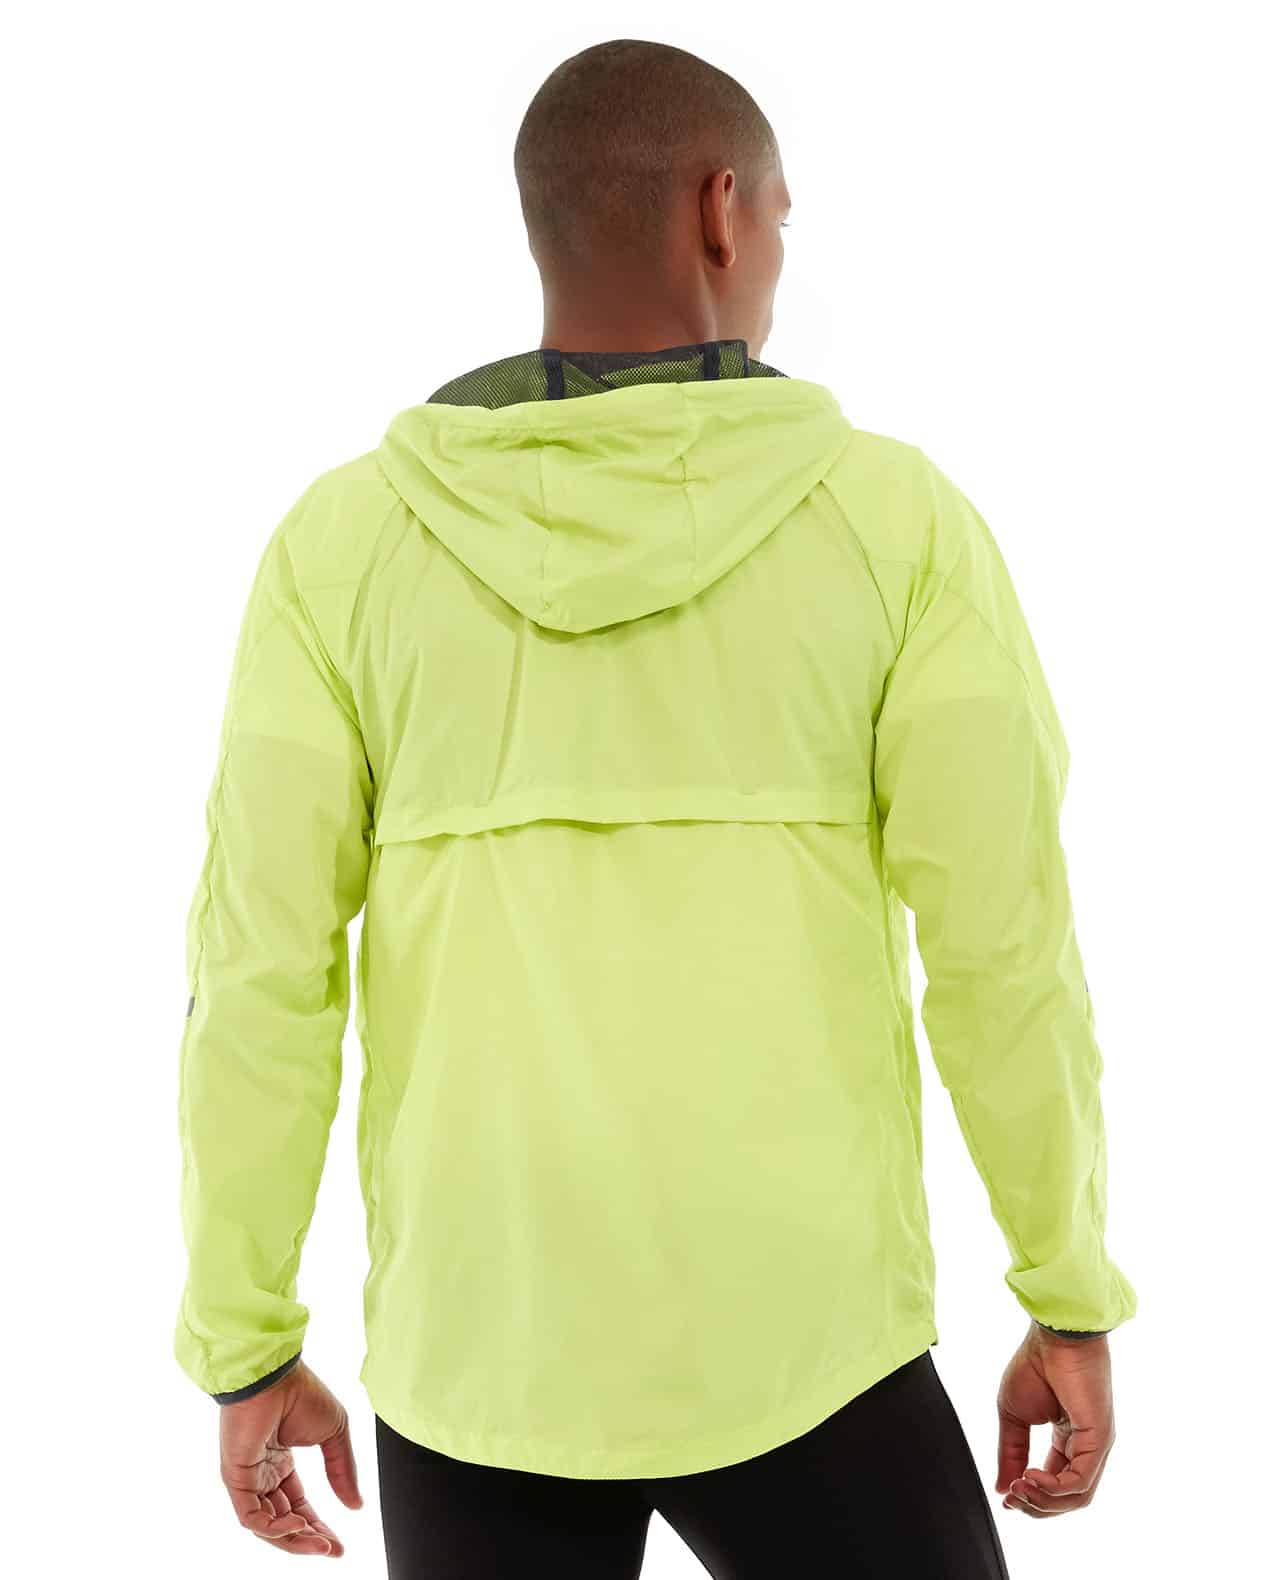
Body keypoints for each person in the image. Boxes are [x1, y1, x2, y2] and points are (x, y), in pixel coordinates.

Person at [172, 36, 1137, 1578]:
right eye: (781, 221)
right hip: (808, 1333)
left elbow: (258, 978)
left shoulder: (343, 548)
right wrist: (1065, 1289)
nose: (776, 260)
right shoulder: (892, 527)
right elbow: (1001, 949)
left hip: (481, 1346)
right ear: (718, 211)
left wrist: (245, 1342)